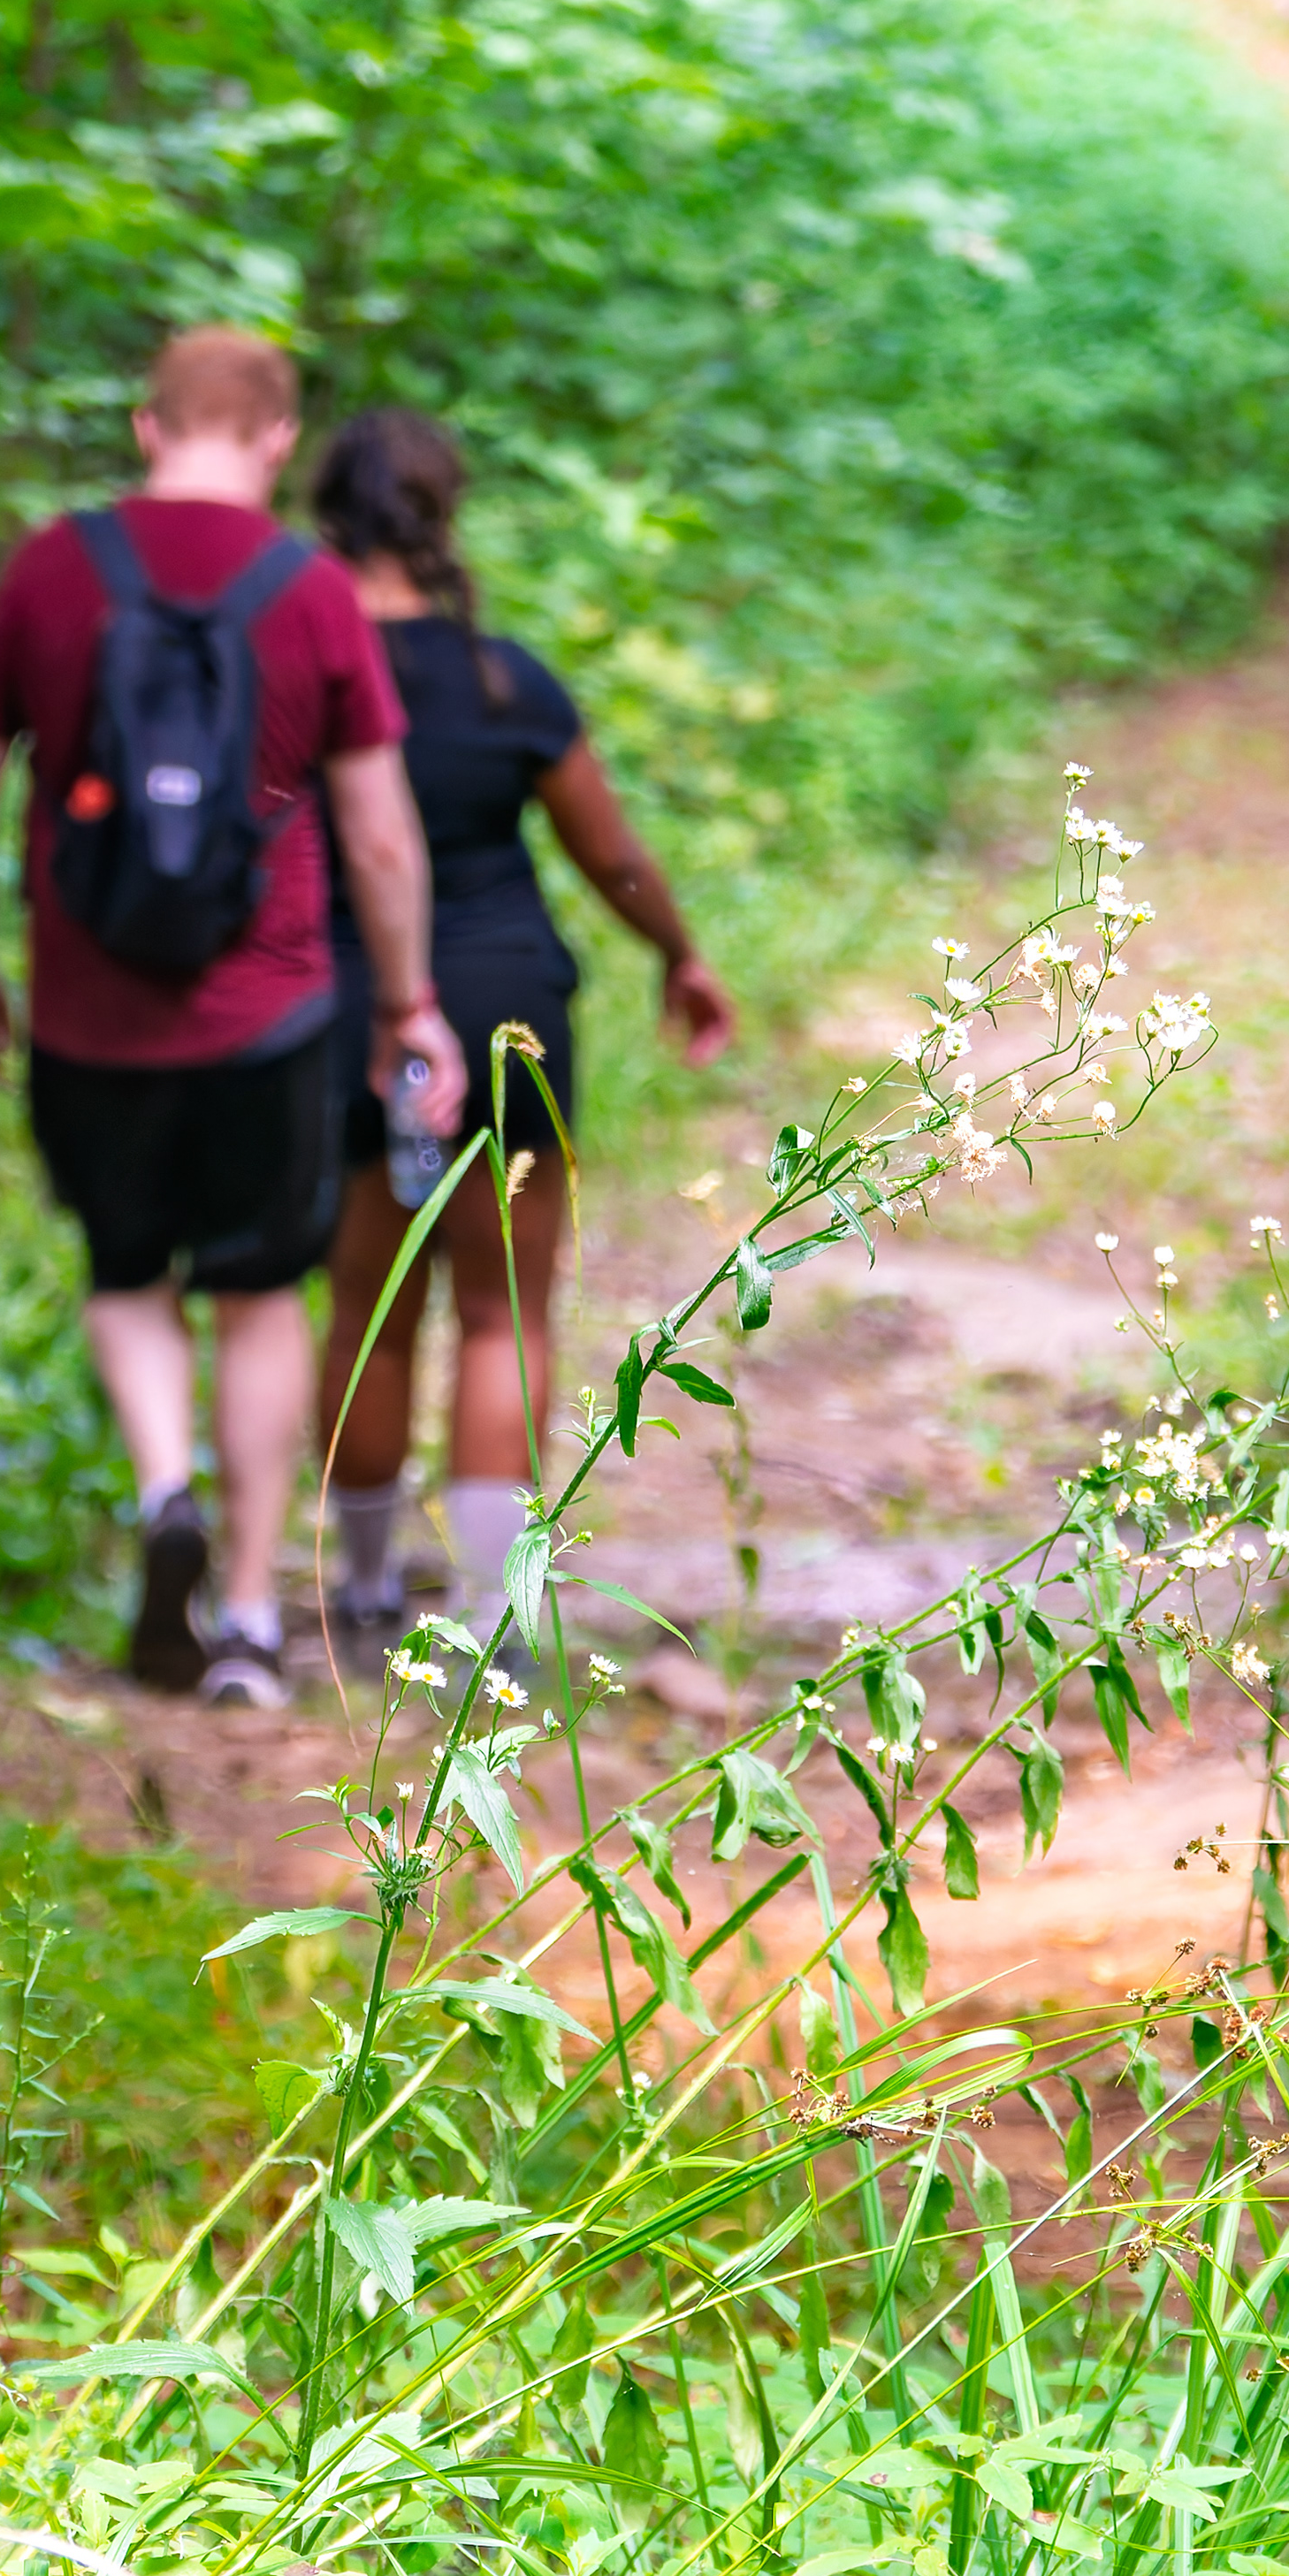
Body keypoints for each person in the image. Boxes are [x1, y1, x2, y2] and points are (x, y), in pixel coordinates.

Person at [0, 330, 467, 1711]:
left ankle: (163, 1480)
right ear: (280, 439)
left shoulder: (53, 566)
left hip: (89, 1009)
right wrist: (408, 1001)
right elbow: (383, 836)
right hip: (270, 1012)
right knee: (260, 1293)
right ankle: (239, 1615)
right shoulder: (310, 590)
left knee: (127, 1272)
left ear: (143, 421)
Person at [308, 406, 738, 1681]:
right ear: (446, 518)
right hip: (509, 1014)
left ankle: (370, 1585)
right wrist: (681, 953)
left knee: (366, 1313)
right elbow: (608, 852)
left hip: (346, 1012)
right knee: (505, 1309)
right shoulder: (507, 681)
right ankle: (494, 1605)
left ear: (324, 519)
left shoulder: (304, 679)